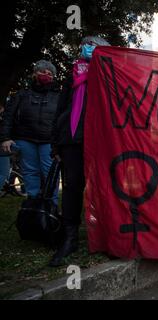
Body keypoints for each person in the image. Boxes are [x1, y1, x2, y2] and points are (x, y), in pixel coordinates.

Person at [49, 36, 110, 267]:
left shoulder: (109, 74)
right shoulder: (72, 75)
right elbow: (61, 110)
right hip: (72, 139)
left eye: (93, 44)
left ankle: (105, 234)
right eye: (85, 43)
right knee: (73, 187)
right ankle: (70, 238)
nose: (87, 47)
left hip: (100, 140)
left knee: (102, 186)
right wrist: (55, 144)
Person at [0, 61, 60, 204]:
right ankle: (33, 202)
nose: (46, 75)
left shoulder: (58, 96)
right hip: (25, 139)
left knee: (50, 172)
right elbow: (8, 117)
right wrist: (5, 138)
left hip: (49, 141)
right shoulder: (21, 94)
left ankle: (51, 205)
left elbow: (63, 120)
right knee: (30, 171)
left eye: (50, 73)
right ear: (34, 74)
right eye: (42, 72)